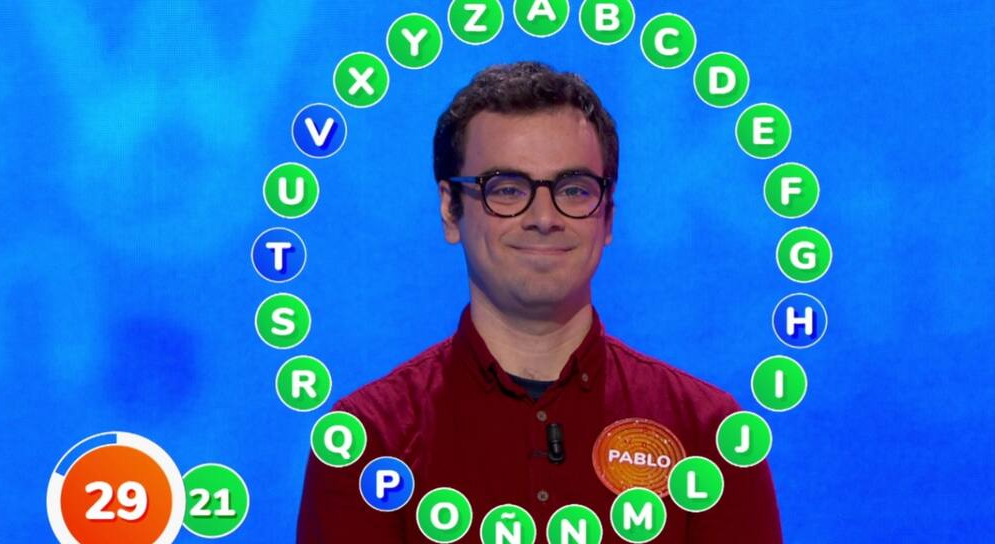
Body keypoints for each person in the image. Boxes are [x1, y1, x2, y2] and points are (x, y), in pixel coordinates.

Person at [297, 61, 782, 543]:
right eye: (507, 189)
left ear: (608, 216)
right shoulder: (366, 443)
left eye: (574, 190)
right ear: (450, 209)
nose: (544, 218)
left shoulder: (709, 438)